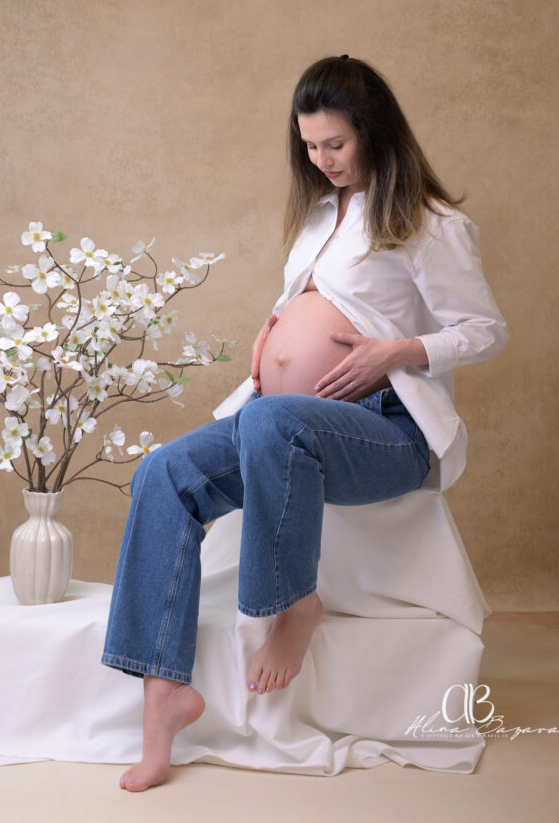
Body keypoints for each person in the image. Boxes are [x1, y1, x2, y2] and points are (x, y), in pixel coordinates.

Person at [101, 54, 508, 792]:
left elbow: (483, 330)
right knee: (164, 471)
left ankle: (291, 605)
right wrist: (274, 334)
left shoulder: (429, 222)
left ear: (374, 131)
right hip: (283, 424)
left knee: (274, 423)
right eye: (310, 145)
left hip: (386, 431)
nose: (322, 160)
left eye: (335, 144)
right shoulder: (322, 215)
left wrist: (395, 352)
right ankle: (162, 697)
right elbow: (319, 306)